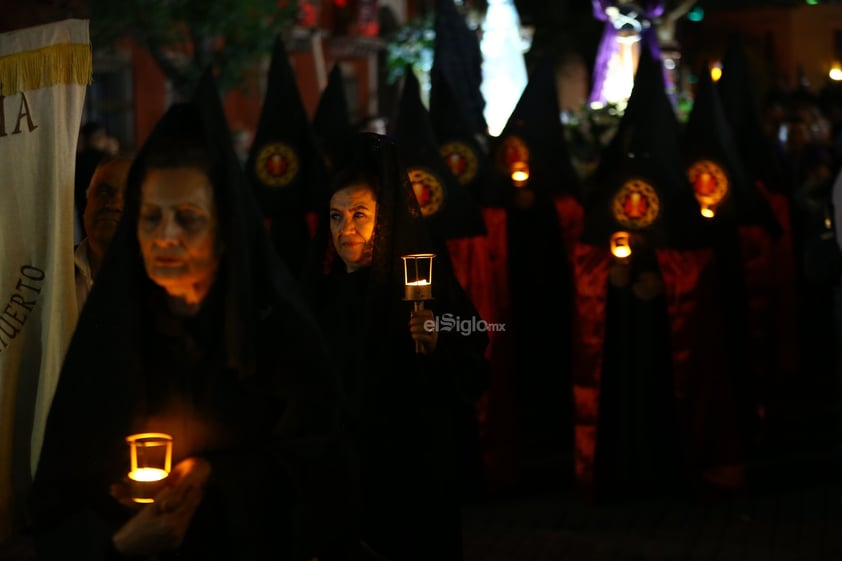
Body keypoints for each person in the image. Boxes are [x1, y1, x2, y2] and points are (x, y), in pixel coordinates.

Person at [30, 71, 348, 561]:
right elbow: (61, 496)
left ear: (225, 230)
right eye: (151, 217)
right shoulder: (112, 335)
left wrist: (211, 477)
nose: (166, 236)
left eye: (188, 217)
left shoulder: (276, 332)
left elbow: (317, 471)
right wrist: (119, 544)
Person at [301, 132, 490, 561]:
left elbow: (473, 357)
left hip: (409, 472)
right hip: (341, 475)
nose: (344, 229)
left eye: (359, 215)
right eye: (335, 216)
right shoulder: (319, 294)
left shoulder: (419, 288)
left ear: (385, 219)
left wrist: (437, 341)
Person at [74, 155, 132, 315]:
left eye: (129, 196)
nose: (114, 204)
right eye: (104, 192)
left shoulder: (166, 289)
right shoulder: (47, 274)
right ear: (87, 200)